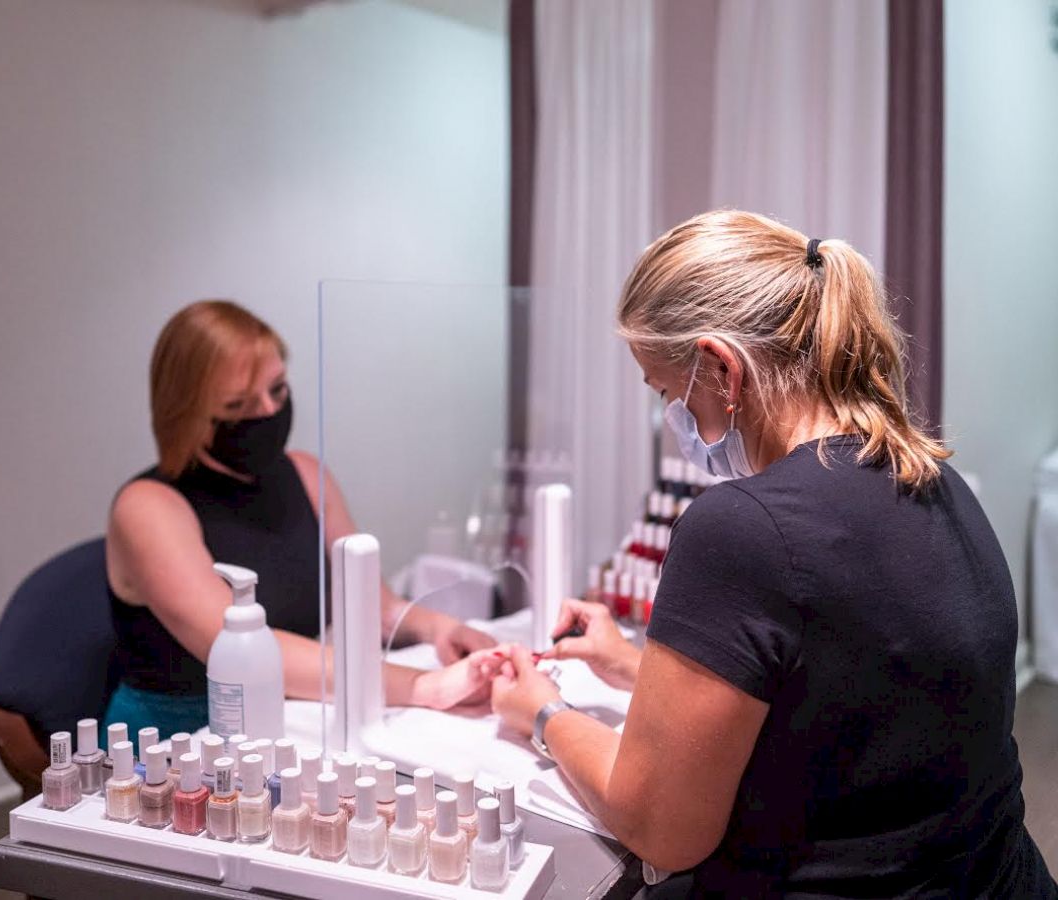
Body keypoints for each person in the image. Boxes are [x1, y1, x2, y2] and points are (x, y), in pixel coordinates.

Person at [489, 211, 1056, 897]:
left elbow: (661, 826)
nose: (674, 422)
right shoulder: (936, 483)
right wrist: (630, 665)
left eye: (668, 393)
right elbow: (841, 710)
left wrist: (543, 713)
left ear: (721, 368)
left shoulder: (742, 527)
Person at [105, 299, 497, 738]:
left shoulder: (307, 474)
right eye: (238, 405)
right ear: (187, 413)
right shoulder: (148, 508)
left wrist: (443, 628)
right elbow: (245, 653)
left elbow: (375, 605)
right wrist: (422, 685)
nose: (269, 414)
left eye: (278, 390)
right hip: (178, 739)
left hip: (297, 713)